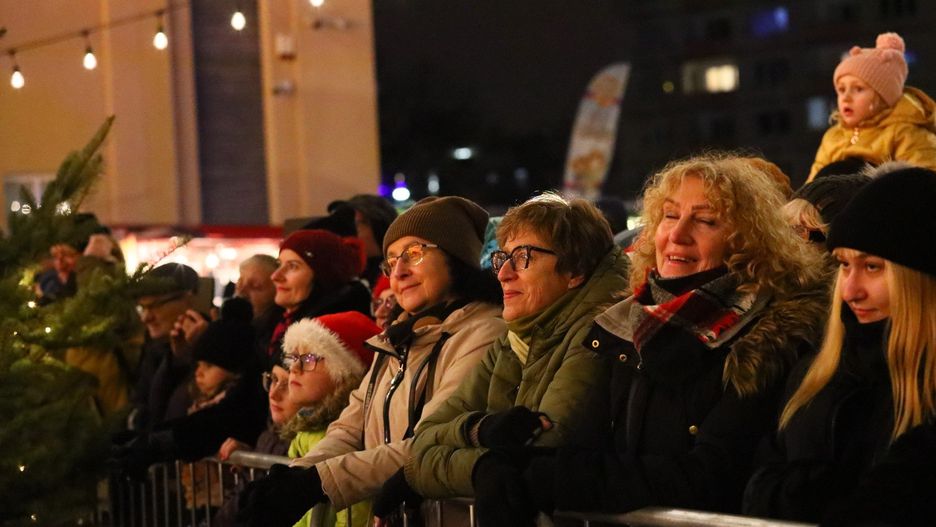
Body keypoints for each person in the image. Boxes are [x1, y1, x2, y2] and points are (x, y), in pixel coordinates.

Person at [472, 154, 830, 525]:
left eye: (706, 221)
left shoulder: (770, 338)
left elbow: (709, 474)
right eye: (670, 216)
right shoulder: (631, 324)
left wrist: (548, 478)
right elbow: (597, 445)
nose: (677, 234)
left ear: (748, 242)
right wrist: (505, 462)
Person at [236, 196, 506, 527]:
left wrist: (318, 481)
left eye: (414, 254)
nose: (400, 272)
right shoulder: (396, 340)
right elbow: (351, 427)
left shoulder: (483, 334)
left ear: (456, 256)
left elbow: (431, 442)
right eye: (391, 262)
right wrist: (294, 477)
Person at [376, 193, 628, 520]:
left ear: (575, 269)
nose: (504, 273)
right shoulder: (513, 339)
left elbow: (540, 448)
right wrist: (478, 444)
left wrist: (443, 464)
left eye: (524, 257)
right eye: (502, 258)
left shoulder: (598, 333)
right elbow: (422, 441)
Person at [743, 165, 936, 525]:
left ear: (921, 278)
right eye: (844, 265)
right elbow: (757, 481)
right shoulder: (817, 371)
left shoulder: (925, 391)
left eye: (873, 267)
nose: (850, 290)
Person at [281, 312, 381, 527]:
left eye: (309, 358)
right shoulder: (306, 427)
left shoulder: (349, 438)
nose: (294, 369)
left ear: (344, 373)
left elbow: (354, 516)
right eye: (293, 357)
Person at [807, 32, 936, 182]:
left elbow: (926, 179)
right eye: (841, 89)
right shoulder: (833, 137)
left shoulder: (903, 132)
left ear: (882, 97)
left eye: (859, 89)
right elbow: (812, 185)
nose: (846, 97)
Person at [267, 229, 371, 359]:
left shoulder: (326, 336)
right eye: (279, 264)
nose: (275, 276)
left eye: (293, 266)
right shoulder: (277, 322)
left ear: (323, 277)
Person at [329, 194, 399, 286]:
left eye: (355, 225)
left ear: (380, 229)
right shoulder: (341, 277)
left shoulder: (398, 275)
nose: (346, 234)